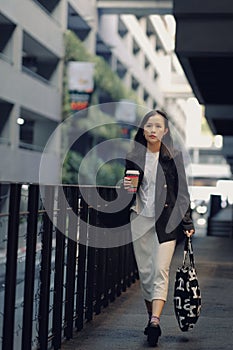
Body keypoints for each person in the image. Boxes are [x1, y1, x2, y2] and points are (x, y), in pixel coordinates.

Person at [123, 109, 195, 346]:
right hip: (139, 219)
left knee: (160, 271)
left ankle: (155, 321)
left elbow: (182, 193)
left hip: (166, 221)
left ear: (165, 131)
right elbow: (129, 193)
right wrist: (124, 189)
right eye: (148, 126)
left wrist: (187, 222)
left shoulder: (173, 157)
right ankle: (151, 319)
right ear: (143, 130)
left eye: (157, 126)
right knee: (145, 274)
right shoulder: (133, 156)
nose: (152, 130)